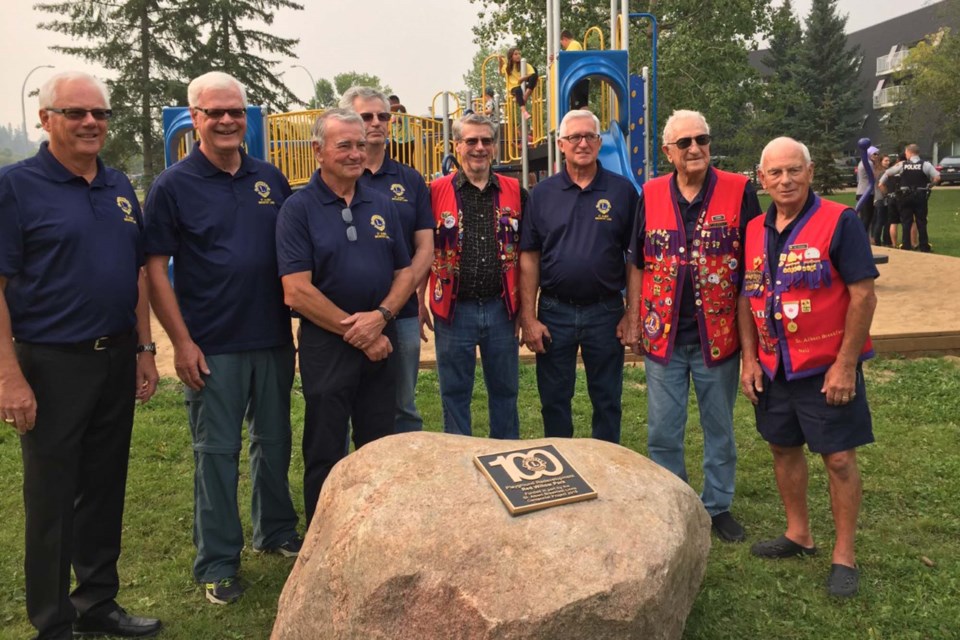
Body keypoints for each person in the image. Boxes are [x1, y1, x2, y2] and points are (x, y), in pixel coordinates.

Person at [0, 71, 161, 639]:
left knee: (104, 484)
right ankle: (52, 621)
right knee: (51, 494)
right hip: (51, 362)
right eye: (76, 113)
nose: (92, 123)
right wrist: (9, 376)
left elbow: (136, 273)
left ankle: (97, 603)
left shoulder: (118, 184)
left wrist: (144, 348)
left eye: (100, 114)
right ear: (46, 120)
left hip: (115, 356)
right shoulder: (15, 187)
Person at [143, 71, 301, 606]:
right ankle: (217, 561)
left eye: (235, 110)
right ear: (195, 119)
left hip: (273, 338)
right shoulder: (173, 186)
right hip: (212, 344)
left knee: (273, 442)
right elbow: (155, 271)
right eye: (215, 112)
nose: (228, 120)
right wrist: (181, 343)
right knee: (217, 452)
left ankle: (275, 530)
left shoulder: (269, 178)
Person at [739, 136, 878, 598]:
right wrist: (749, 359)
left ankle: (844, 555)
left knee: (838, 458)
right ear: (761, 179)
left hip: (825, 367)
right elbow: (746, 296)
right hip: (774, 367)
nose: (785, 180)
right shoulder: (755, 228)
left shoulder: (840, 222)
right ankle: (799, 533)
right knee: (782, 448)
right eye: (775, 173)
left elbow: (862, 294)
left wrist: (845, 364)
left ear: (810, 171)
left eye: (794, 170)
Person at [625, 109, 761, 543]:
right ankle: (674, 502)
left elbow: (754, 268)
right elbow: (636, 261)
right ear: (668, 152)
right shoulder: (650, 193)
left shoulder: (740, 190)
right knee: (663, 429)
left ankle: (717, 505)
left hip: (717, 339)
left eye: (701, 139)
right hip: (662, 335)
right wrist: (633, 320)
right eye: (684, 143)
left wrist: (752, 341)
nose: (695, 149)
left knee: (718, 427)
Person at [277, 109, 413, 525]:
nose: (356, 153)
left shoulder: (382, 205)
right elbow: (296, 290)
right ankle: (325, 534)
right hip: (327, 345)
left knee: (378, 443)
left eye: (360, 145)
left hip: (381, 340)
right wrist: (360, 332)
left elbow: (404, 272)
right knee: (325, 446)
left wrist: (382, 316)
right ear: (318, 151)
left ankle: (375, 531)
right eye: (344, 146)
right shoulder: (297, 209)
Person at [519, 110, 638, 443]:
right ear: (561, 144)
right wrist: (528, 317)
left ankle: (605, 464)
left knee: (607, 400)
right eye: (574, 137)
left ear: (600, 143)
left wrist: (632, 313)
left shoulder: (622, 192)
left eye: (590, 137)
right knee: (554, 401)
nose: (582, 143)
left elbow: (635, 258)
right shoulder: (541, 194)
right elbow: (529, 256)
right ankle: (561, 465)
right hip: (555, 312)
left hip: (605, 311)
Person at [420, 113, 525, 439]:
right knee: (454, 394)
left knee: (506, 392)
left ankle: (508, 459)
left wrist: (526, 310)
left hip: (501, 309)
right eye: (471, 141)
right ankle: (459, 465)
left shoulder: (515, 190)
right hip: (454, 310)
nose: (479, 148)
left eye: (486, 141)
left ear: (494, 146)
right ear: (457, 145)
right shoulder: (435, 191)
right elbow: (424, 248)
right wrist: (419, 300)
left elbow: (527, 252)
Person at [340, 86, 434, 433]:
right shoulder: (337, 178)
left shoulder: (409, 180)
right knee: (343, 405)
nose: (376, 123)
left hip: (402, 315)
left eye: (383, 116)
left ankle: (405, 484)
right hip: (345, 318)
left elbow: (425, 248)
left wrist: (393, 304)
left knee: (403, 406)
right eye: (366, 116)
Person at [879, 143, 940, 251]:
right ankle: (924, 246)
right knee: (921, 221)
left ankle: (906, 245)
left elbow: (887, 173)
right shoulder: (925, 164)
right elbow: (937, 177)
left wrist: (883, 186)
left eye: (906, 152)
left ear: (909, 152)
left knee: (906, 221)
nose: (905, 154)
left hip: (905, 196)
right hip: (920, 196)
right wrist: (930, 185)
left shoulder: (903, 165)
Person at [499, 47, 538, 119]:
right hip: (513, 87)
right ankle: (524, 111)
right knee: (518, 90)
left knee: (535, 75)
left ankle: (524, 97)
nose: (518, 55)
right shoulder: (507, 66)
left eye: (519, 54)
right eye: (515, 54)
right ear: (511, 56)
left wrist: (523, 78)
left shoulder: (524, 64)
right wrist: (500, 60)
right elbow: (501, 72)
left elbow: (532, 73)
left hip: (523, 84)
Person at [559, 29, 590, 110]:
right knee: (576, 106)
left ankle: (585, 121)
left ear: (565, 39)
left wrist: (558, 57)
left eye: (562, 43)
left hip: (579, 79)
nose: (563, 46)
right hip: (577, 78)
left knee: (581, 105)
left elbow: (571, 58)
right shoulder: (572, 46)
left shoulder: (574, 44)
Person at [855, 146, 880, 241]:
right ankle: (862, 238)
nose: (877, 156)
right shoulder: (868, 163)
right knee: (867, 217)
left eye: (878, 154)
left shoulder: (862, 162)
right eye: (875, 154)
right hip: (866, 193)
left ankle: (862, 237)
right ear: (869, 153)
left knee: (864, 216)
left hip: (861, 191)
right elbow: (874, 177)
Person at [872, 155, 893, 246]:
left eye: (889, 160)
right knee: (885, 220)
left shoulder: (876, 171)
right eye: (886, 160)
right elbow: (881, 185)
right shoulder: (883, 172)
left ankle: (877, 239)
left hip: (877, 198)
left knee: (878, 220)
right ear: (881, 161)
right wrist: (886, 194)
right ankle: (884, 240)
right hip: (882, 199)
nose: (888, 162)